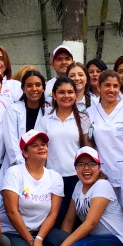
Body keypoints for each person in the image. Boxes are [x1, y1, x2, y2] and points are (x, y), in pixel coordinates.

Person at [0, 130, 68, 246]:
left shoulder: (54, 176)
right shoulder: (14, 172)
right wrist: (32, 241)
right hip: (14, 232)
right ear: (24, 152)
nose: (41, 148)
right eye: (34, 146)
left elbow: (53, 214)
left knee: (63, 242)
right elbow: (12, 212)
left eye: (43, 145)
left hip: (40, 231)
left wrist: (39, 239)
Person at [35, 78, 91, 226]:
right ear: (54, 95)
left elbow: (88, 149)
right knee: (55, 219)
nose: (66, 96)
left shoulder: (84, 119)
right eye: (61, 92)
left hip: (77, 178)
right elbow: (40, 151)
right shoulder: (45, 121)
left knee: (76, 220)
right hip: (53, 178)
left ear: (75, 94)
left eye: (70, 92)